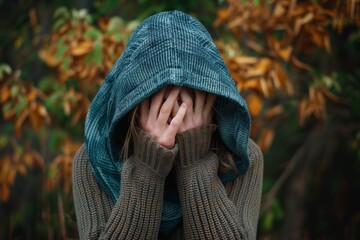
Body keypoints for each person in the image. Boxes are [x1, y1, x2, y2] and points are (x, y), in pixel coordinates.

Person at [72, 10, 263, 239]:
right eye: (160, 99)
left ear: (209, 96)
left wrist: (196, 162)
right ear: (136, 102)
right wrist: (148, 167)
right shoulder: (96, 162)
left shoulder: (240, 158)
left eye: (186, 98)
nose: (174, 114)